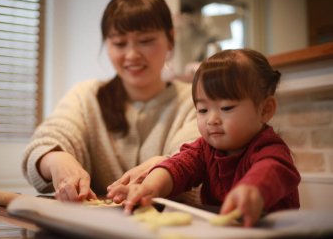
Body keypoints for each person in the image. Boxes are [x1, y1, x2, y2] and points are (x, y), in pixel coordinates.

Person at [22, 0, 200, 202]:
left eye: (145, 41)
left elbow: (194, 158)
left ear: (170, 39)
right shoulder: (86, 96)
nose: (132, 55)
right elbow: (46, 141)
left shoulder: (194, 102)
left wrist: (165, 168)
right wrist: (57, 160)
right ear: (107, 44)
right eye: (119, 43)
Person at [107, 49, 301, 227]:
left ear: (265, 110)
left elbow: (272, 169)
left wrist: (253, 190)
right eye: (202, 110)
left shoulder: (269, 148)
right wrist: (149, 188)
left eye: (226, 108)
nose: (212, 120)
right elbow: (178, 167)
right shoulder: (204, 148)